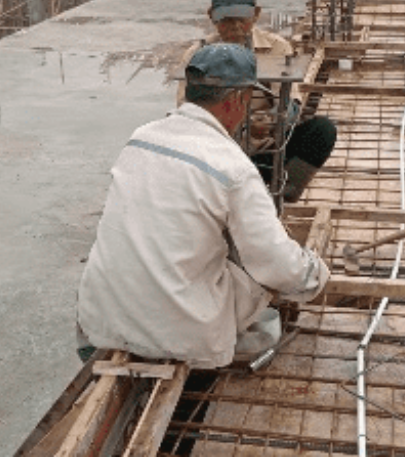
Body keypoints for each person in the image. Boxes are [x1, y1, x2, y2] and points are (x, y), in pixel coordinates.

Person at [76, 43, 329, 368]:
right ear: (238, 99)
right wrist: (316, 275)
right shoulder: (232, 167)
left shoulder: (140, 137)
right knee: (259, 269)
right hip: (184, 339)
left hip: (97, 324)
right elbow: (278, 264)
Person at [178, 0, 337, 202]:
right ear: (212, 17)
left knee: (322, 130)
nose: (235, 26)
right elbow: (186, 112)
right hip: (218, 155)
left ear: (256, 15)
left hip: (264, 152)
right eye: (226, 20)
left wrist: (274, 120)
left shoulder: (277, 48)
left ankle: (285, 188)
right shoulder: (196, 55)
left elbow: (291, 101)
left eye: (241, 19)